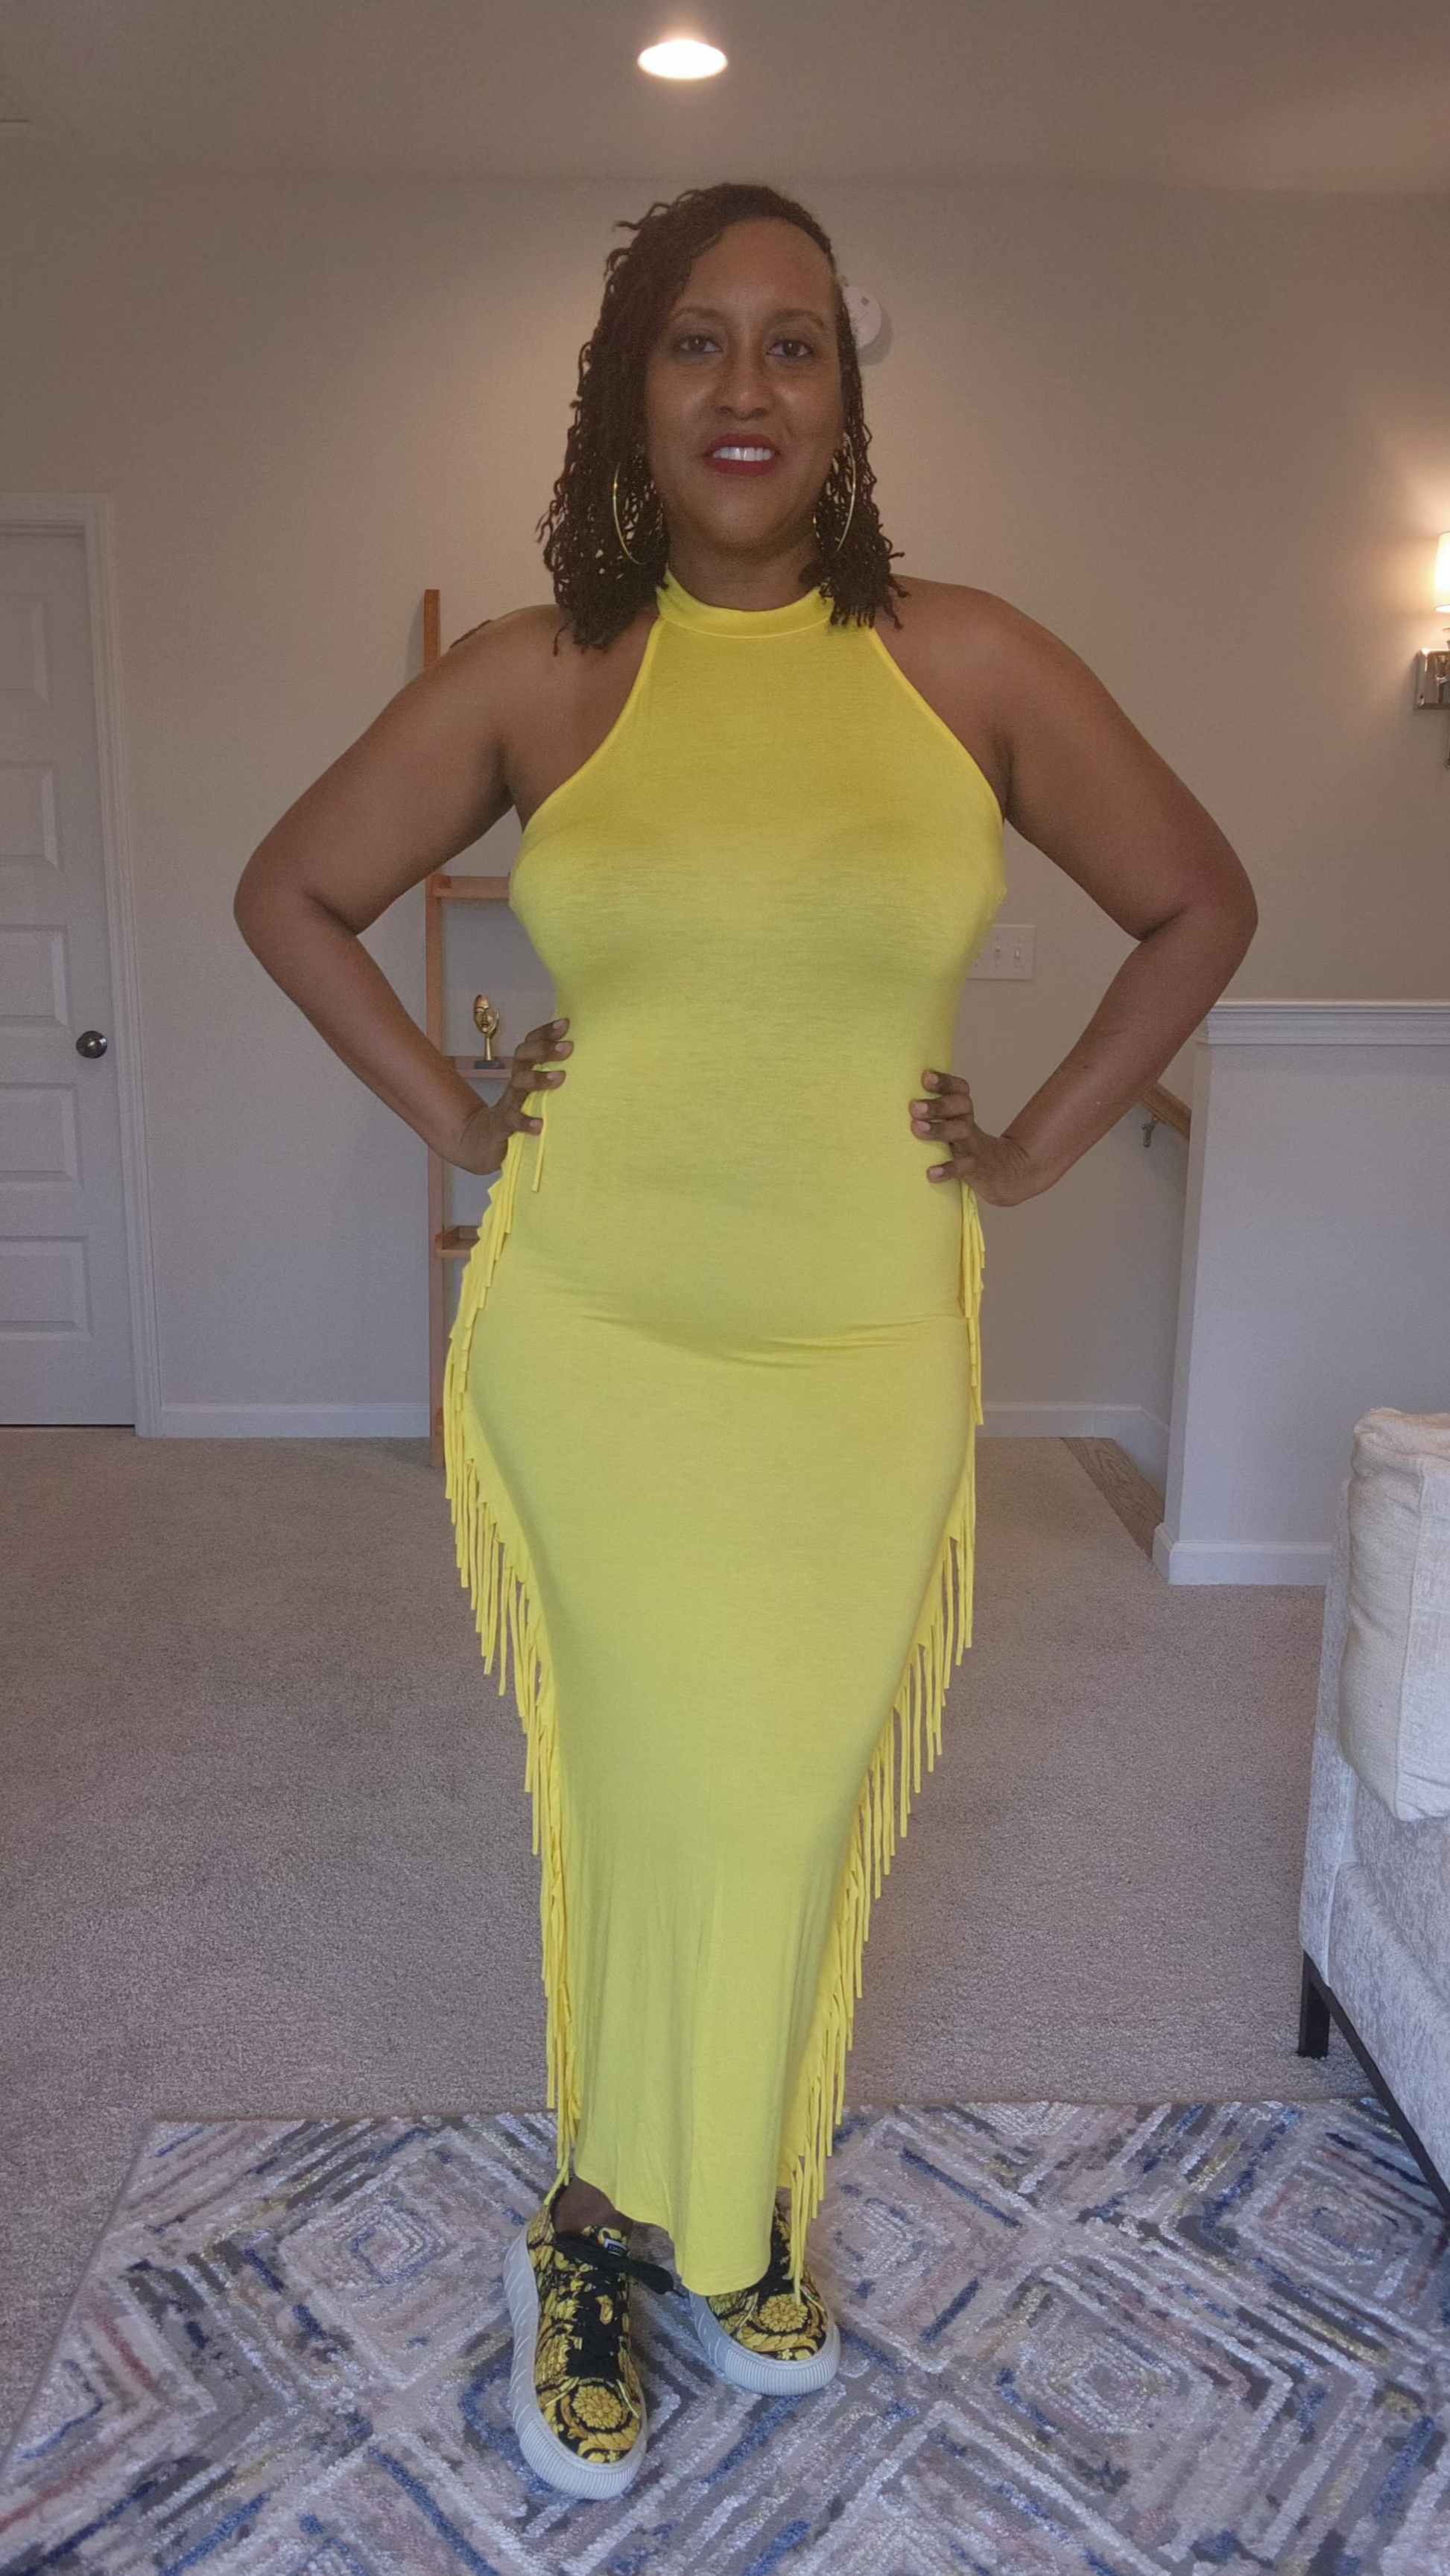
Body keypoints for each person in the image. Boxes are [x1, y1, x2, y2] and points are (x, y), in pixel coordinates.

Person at [235, 178, 1256, 2500]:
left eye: (798, 343)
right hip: (595, 1339)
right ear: (630, 389)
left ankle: (742, 2190)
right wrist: (462, 1119)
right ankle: (600, 2231)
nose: (748, 386)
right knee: (643, 1789)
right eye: (699, 339)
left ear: (845, 404)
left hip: (856, 1353)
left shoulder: (967, 663)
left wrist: (1034, 1147)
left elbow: (1201, 899)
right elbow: (289, 889)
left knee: (786, 1799)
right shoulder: (544, 673)